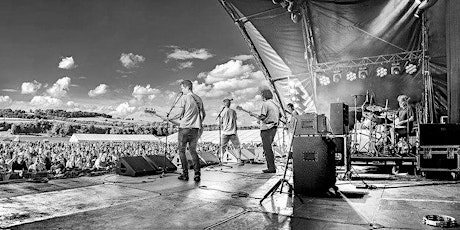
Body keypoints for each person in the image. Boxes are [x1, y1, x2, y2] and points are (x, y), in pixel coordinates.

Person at [168, 80, 205, 182]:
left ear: (187, 87)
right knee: (193, 151)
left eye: (182, 88)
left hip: (184, 128)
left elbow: (180, 114)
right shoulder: (199, 99)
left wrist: (170, 117)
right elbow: (203, 115)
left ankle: (185, 175)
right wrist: (197, 122)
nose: (182, 90)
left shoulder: (185, 97)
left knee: (181, 151)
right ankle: (197, 175)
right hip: (195, 129)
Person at [258, 89, 281, 173]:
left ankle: (271, 168)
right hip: (274, 128)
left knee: (267, 149)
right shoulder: (276, 104)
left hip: (266, 128)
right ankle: (272, 167)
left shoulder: (265, 104)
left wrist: (258, 118)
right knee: (269, 148)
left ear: (264, 96)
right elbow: (280, 116)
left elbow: (263, 117)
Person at [219, 98, 243, 166]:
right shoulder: (233, 111)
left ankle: (221, 160)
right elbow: (235, 119)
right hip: (233, 132)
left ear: (224, 104)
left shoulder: (222, 112)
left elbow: (221, 122)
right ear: (230, 104)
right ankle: (239, 160)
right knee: (237, 147)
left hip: (225, 132)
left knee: (222, 147)